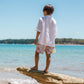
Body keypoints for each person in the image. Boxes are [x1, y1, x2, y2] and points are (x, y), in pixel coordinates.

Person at [31, 4, 57, 73]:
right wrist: (52, 41)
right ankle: (46, 69)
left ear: (45, 11)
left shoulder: (41, 19)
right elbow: (54, 33)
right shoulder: (54, 21)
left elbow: (38, 30)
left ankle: (36, 66)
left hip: (42, 40)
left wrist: (36, 39)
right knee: (48, 55)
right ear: (52, 12)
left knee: (37, 53)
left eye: (43, 11)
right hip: (50, 41)